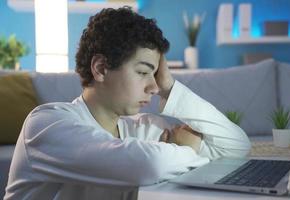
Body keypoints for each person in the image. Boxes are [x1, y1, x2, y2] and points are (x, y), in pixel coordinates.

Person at [4, 7, 250, 200]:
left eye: (156, 75)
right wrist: (187, 150)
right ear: (101, 68)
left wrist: (170, 87)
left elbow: (237, 147)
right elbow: (149, 165)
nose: (154, 88)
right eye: (143, 72)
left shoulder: (142, 128)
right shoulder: (46, 124)